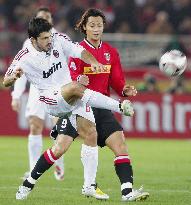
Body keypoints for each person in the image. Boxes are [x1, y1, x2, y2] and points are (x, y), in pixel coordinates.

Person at [3, 17, 134, 200]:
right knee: (76, 87)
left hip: (73, 97)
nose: (49, 40)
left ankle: (35, 183)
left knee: (87, 135)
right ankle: (119, 106)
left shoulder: (58, 40)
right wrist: (14, 77)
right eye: (44, 38)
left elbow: (80, 51)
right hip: (51, 99)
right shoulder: (24, 56)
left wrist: (93, 62)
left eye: (50, 36)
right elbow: (5, 80)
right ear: (33, 40)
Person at [53, 8, 149, 202]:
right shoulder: (77, 51)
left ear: (103, 27)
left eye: (99, 25)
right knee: (59, 149)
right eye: (92, 25)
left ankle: (127, 192)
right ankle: (31, 181)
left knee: (120, 145)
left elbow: (117, 82)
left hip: (103, 107)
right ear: (85, 28)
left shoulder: (111, 53)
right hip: (81, 107)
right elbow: (69, 80)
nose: (96, 29)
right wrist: (78, 80)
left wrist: (125, 90)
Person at [11, 7, 64, 181]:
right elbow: (20, 72)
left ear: (51, 20)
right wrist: (16, 96)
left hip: (57, 88)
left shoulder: (61, 40)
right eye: (41, 17)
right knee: (35, 125)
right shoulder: (28, 43)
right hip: (36, 89)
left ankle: (59, 165)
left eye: (47, 17)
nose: (45, 20)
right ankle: (34, 168)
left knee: (58, 127)